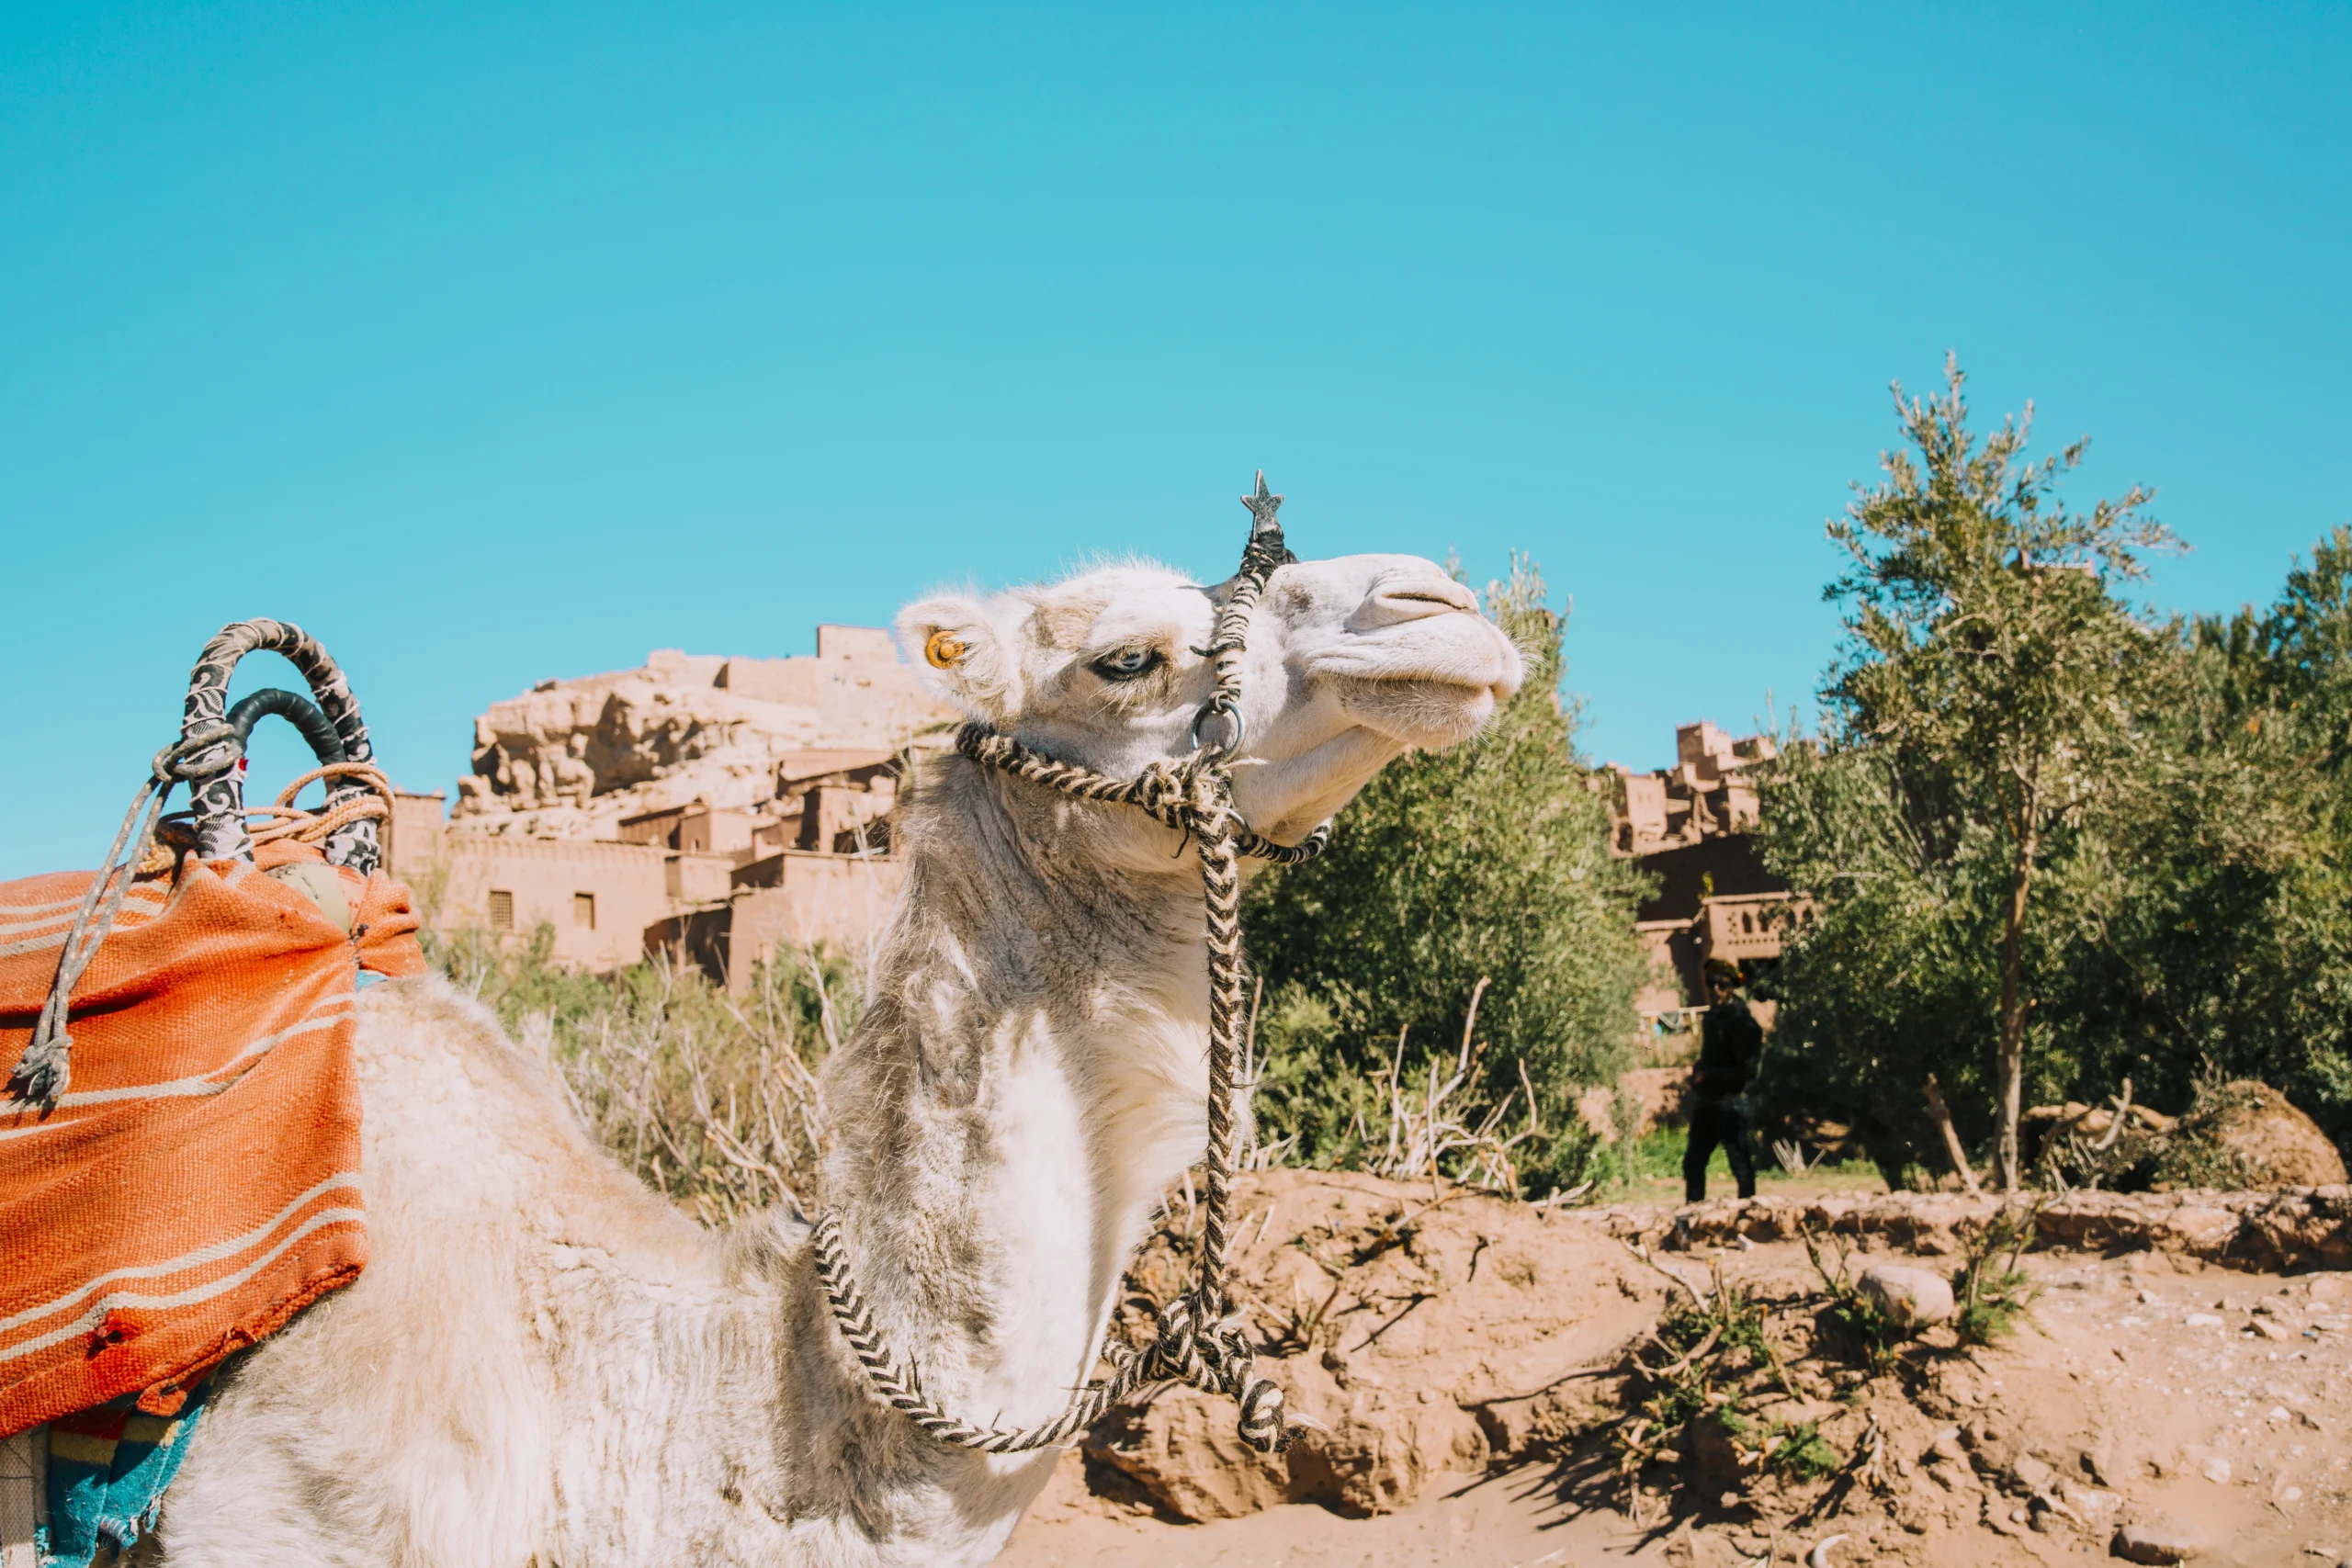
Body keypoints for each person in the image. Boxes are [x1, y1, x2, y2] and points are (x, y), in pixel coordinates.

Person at [1684, 958, 1762, 1202]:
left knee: (1740, 1165)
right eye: (1711, 984)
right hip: (1707, 1103)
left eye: (1721, 984)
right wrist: (1699, 1071)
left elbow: (1748, 1072)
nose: (1715, 989)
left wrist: (1710, 1074)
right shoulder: (1712, 1018)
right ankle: (1693, 1219)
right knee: (1693, 1163)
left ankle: (1748, 1217)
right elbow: (1710, 1057)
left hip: (1731, 1105)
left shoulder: (1743, 1023)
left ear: (1731, 987)